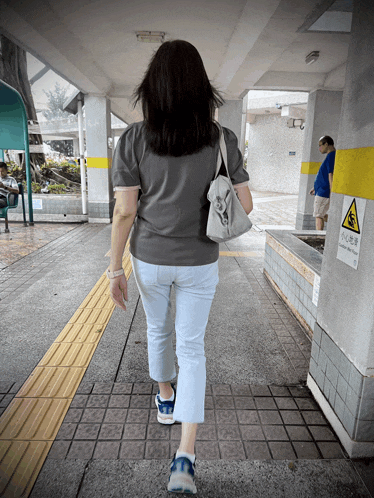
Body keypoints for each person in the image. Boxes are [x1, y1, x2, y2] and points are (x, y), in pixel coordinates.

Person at [108, 40, 253, 494]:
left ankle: (165, 399)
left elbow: (124, 212)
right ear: (200, 87)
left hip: (149, 258)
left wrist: (115, 268)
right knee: (192, 348)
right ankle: (185, 461)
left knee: (157, 330)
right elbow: (245, 203)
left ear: (153, 87)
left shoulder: (132, 138)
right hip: (201, 260)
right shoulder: (221, 139)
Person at [309, 136, 336, 230]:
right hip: (320, 190)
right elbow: (324, 175)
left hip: (323, 192)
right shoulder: (330, 156)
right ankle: (336, 223)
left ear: (326, 144)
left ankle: (319, 238)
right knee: (321, 214)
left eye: (320, 145)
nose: (319, 148)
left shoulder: (331, 155)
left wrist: (333, 192)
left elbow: (331, 175)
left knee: (318, 215)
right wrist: (315, 188)